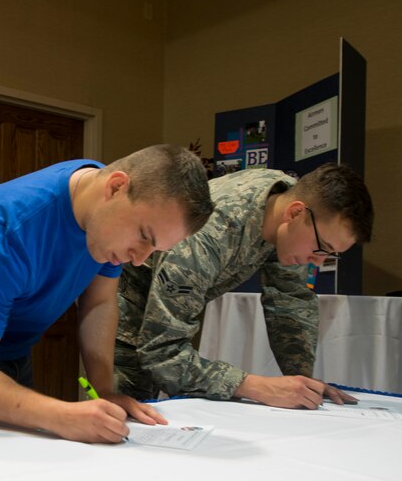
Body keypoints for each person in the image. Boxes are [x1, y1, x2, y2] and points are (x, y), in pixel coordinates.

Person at [0, 145, 214, 444]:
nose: (138, 258)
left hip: (13, 346)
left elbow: (100, 302)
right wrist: (61, 416)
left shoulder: (100, 206)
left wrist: (104, 390)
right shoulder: (0, 234)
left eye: (155, 248)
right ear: (116, 187)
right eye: (144, 237)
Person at [114, 163, 373, 408]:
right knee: (126, 427)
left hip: (160, 329)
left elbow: (289, 298)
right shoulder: (207, 235)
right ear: (294, 213)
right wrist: (256, 386)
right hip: (126, 327)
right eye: (321, 248)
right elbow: (162, 355)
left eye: (330, 255)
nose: (317, 261)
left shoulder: (286, 203)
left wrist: (301, 383)